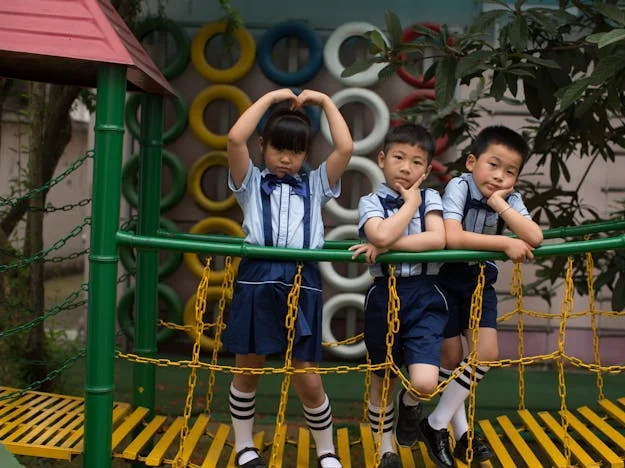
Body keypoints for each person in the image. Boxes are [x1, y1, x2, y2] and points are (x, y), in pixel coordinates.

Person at [222, 88, 352, 468]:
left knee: (306, 375)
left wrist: (325, 102)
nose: (285, 158)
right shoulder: (249, 182)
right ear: (263, 144)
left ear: (305, 154)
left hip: (302, 278)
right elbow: (234, 138)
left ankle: (326, 451)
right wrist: (271, 98)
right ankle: (244, 447)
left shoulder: (315, 185)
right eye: (278, 148)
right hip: (257, 278)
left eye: (295, 151)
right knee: (248, 367)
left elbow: (345, 148)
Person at [424, 125, 544, 466]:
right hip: (445, 281)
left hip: (479, 283)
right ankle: (462, 435)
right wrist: (505, 242)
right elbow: (453, 237)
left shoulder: (509, 200)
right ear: (471, 162)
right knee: (450, 359)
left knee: (485, 354)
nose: (500, 176)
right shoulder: (459, 187)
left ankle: (435, 423)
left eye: (510, 171)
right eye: (493, 165)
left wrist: (499, 204)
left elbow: (535, 237)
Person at [348, 124, 449, 468]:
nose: (406, 168)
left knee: (425, 382)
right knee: (383, 376)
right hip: (384, 294)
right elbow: (379, 233)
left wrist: (388, 245)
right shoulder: (370, 201)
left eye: (416, 162)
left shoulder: (431, 198)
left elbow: (437, 240)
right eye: (399, 158)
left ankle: (410, 404)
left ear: (426, 170)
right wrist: (409, 206)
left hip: (425, 295)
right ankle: (384, 446)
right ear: (382, 159)